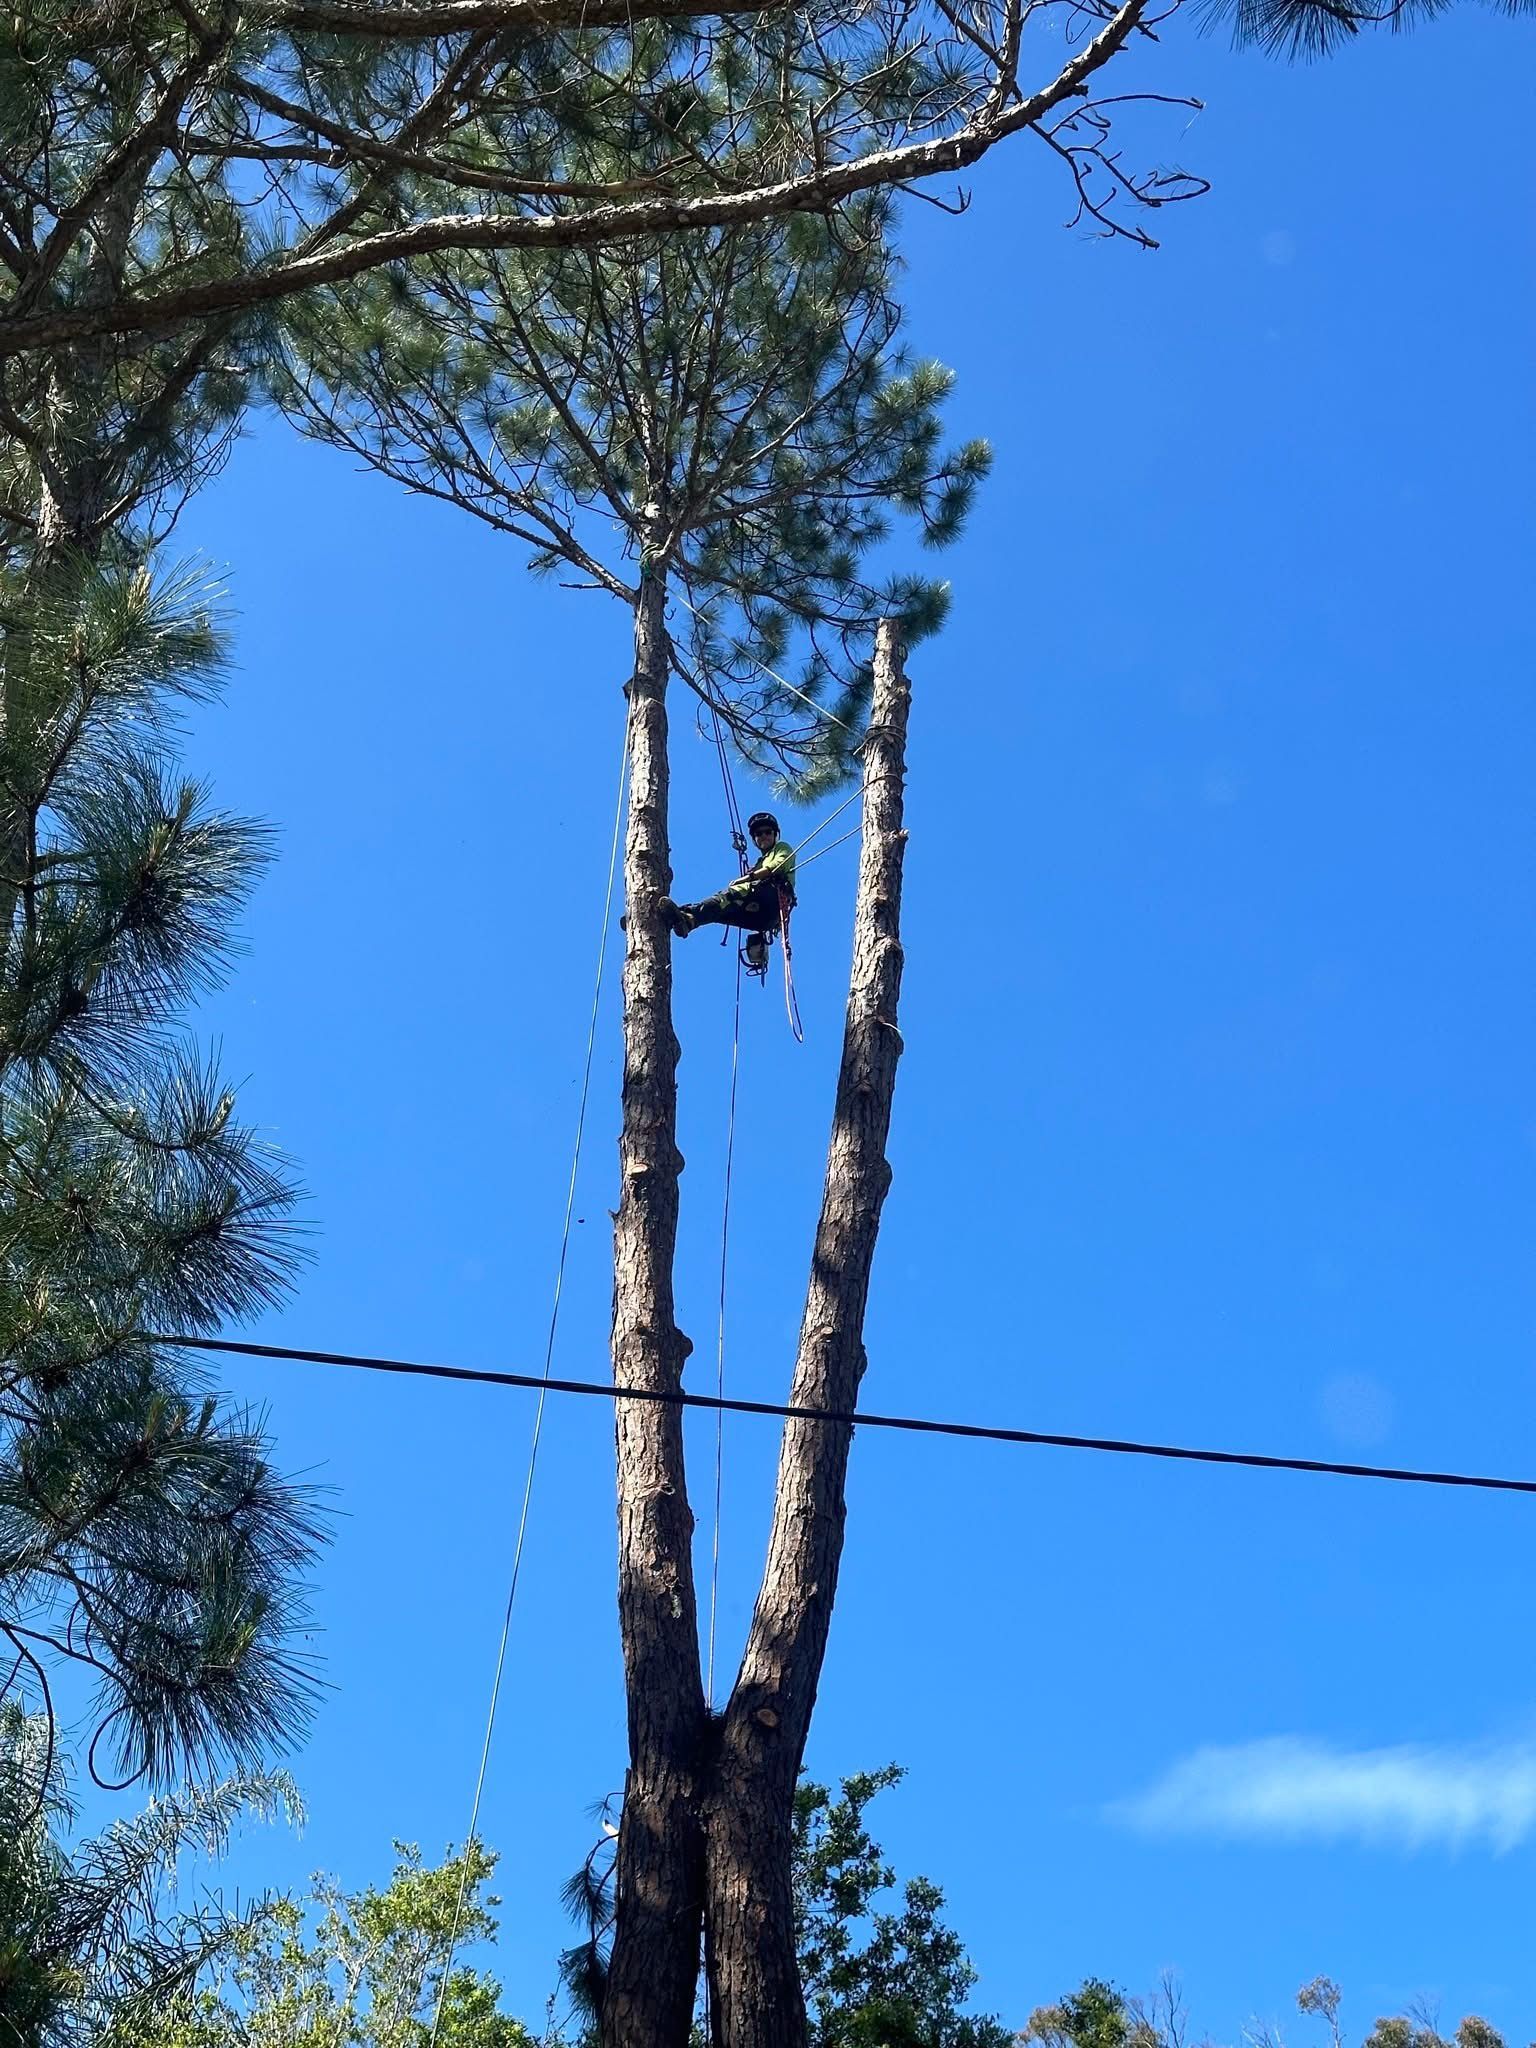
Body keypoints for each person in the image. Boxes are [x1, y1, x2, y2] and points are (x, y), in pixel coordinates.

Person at [662, 811, 796, 939]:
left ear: (775, 834)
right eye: (758, 834)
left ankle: (687, 915)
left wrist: (748, 878)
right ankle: (686, 920)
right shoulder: (759, 863)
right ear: (755, 839)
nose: (763, 836)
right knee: (720, 912)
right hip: (762, 919)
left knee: (729, 896)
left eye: (768, 832)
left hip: (772, 898)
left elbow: (778, 866)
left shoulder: (781, 847)